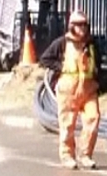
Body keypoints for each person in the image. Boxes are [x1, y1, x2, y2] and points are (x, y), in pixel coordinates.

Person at [39, 10, 102, 170]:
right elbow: (45, 59)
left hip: (88, 90)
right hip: (68, 90)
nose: (83, 29)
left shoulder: (92, 44)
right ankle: (67, 155)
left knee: (93, 119)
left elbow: (98, 66)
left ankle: (85, 154)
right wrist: (61, 67)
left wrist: (98, 81)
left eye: (85, 25)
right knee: (67, 125)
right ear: (72, 26)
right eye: (79, 25)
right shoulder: (62, 43)